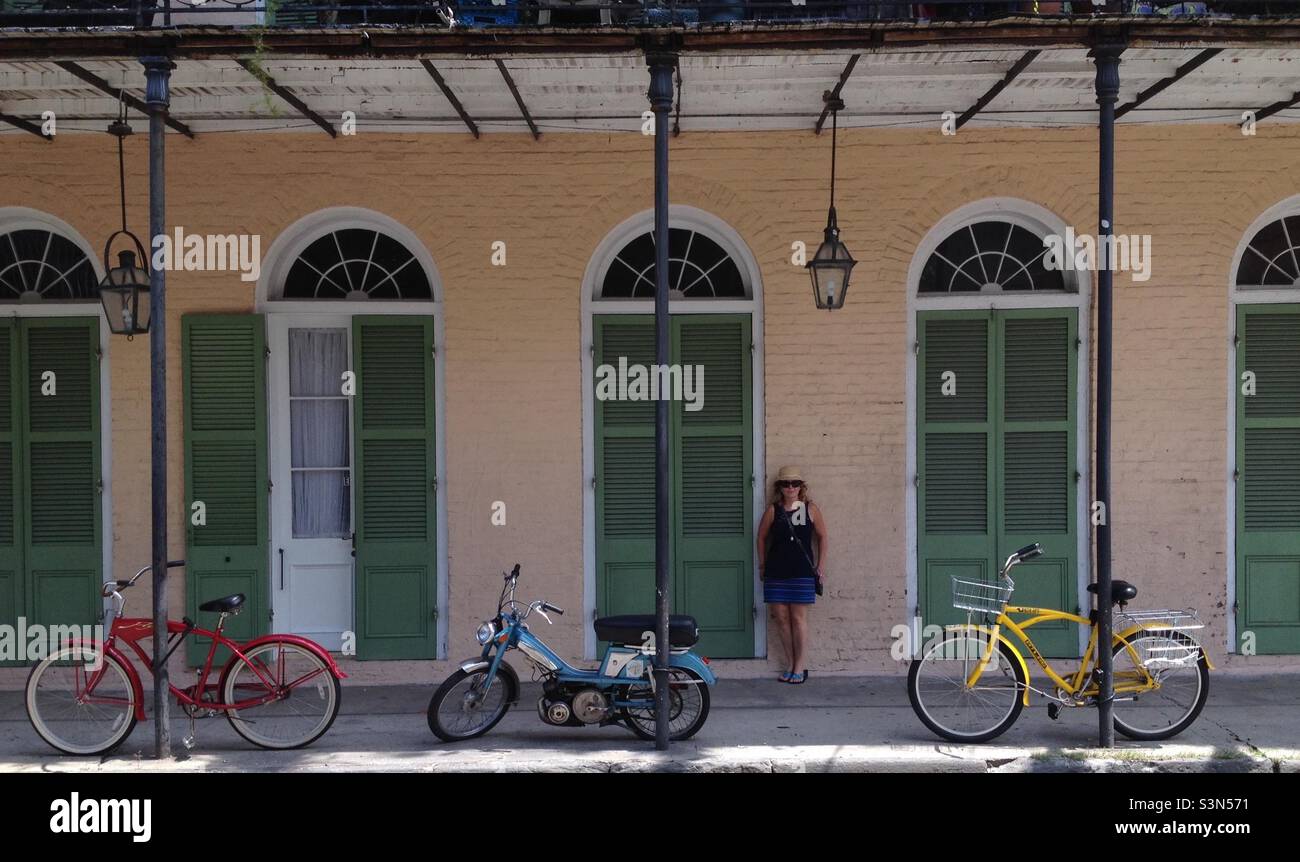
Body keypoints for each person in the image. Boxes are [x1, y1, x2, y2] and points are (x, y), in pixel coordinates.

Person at [756, 466, 828, 684]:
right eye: (785, 483)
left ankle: (800, 666)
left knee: (798, 619)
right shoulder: (773, 510)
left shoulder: (810, 509)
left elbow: (823, 538)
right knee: (781, 619)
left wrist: (820, 566)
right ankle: (790, 662)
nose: (790, 487)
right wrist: (762, 565)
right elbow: (761, 538)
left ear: (801, 486)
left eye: (794, 483)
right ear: (780, 487)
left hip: (801, 572)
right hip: (776, 571)